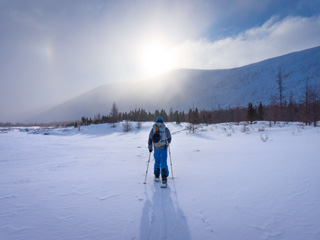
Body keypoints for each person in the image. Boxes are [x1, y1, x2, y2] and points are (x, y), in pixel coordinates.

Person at [148, 116, 172, 187]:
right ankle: (164, 178)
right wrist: (167, 144)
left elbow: (150, 139)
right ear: (162, 121)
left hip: (156, 148)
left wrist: (150, 148)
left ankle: (157, 175)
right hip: (163, 148)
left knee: (157, 161)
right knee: (163, 162)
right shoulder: (165, 128)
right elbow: (169, 138)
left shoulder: (153, 129)